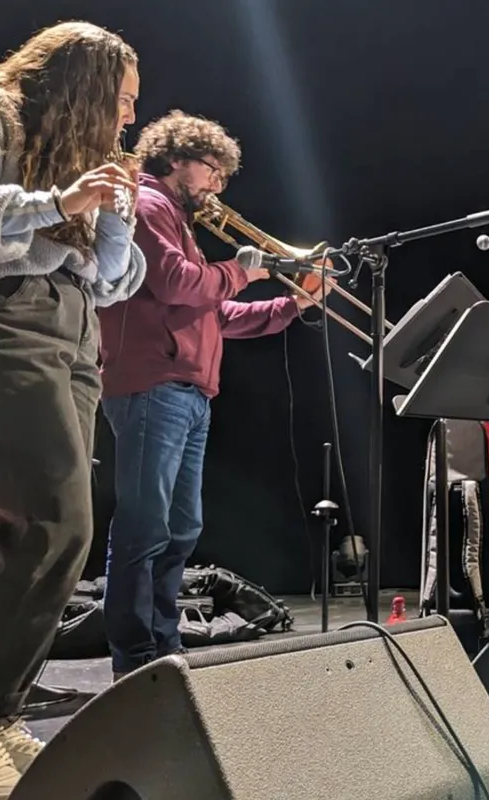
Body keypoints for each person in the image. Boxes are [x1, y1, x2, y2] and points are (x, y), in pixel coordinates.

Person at [0, 20, 145, 797]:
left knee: (35, 528)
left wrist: (115, 214)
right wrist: (58, 200)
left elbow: (111, 278)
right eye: (122, 99)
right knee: (55, 519)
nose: (129, 117)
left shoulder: (77, 153)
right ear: (83, 83)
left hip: (71, 323)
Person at [95, 110, 334, 681]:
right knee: (144, 529)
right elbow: (178, 283)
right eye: (212, 170)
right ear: (177, 159)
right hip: (152, 386)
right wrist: (242, 271)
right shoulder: (147, 205)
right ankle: (135, 660)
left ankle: (164, 647)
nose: (217, 186)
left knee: (181, 530)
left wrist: (293, 305)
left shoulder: (180, 223)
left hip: (189, 393)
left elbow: (214, 314)